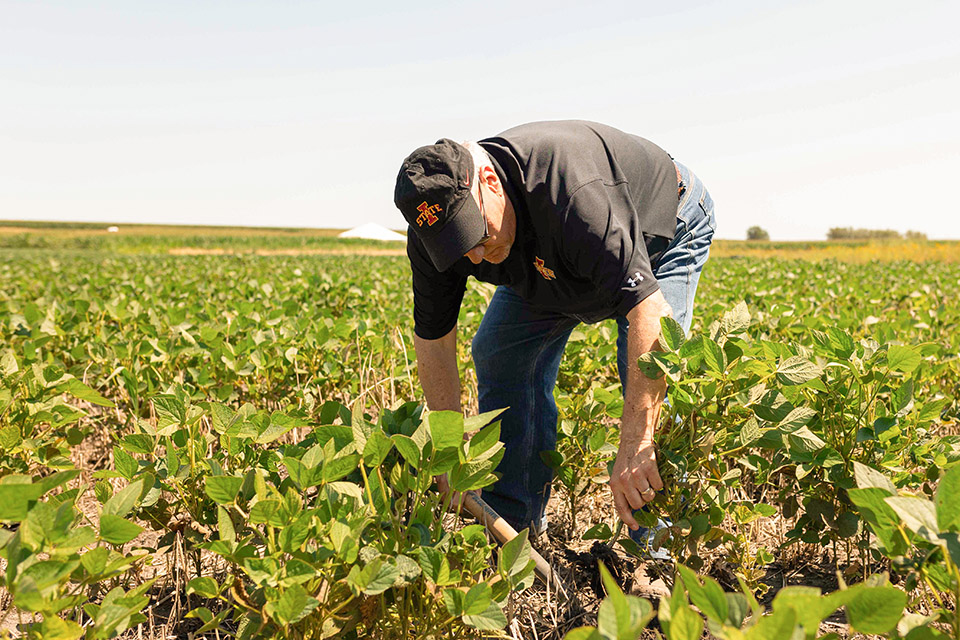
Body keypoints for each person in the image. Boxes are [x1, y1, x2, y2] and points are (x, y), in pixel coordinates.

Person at [393, 120, 715, 548]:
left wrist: (637, 437)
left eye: (476, 233)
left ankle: (656, 549)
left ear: (490, 182)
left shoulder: (573, 195)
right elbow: (434, 339)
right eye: (456, 245)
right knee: (501, 352)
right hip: (548, 254)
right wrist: (446, 452)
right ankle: (513, 525)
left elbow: (647, 310)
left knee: (650, 378)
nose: (472, 255)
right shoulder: (438, 242)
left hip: (663, 227)